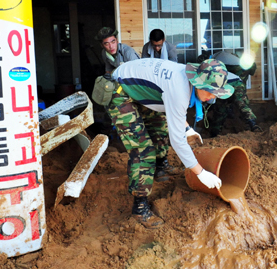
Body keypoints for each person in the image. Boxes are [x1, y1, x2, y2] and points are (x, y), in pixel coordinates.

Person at [109, 58, 233, 228]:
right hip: (121, 92)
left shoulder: (186, 82)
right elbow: (177, 141)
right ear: (197, 83)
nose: (212, 97)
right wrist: (200, 172)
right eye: (210, 91)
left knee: (160, 126)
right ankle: (139, 207)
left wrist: (187, 128)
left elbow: (173, 110)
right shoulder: (180, 89)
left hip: (145, 92)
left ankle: (161, 167)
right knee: (143, 151)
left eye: (216, 93)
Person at [202, 51, 262, 136]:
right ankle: (215, 132)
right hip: (226, 82)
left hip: (234, 82)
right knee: (225, 104)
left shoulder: (216, 62)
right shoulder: (220, 61)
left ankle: (253, 125)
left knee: (238, 101)